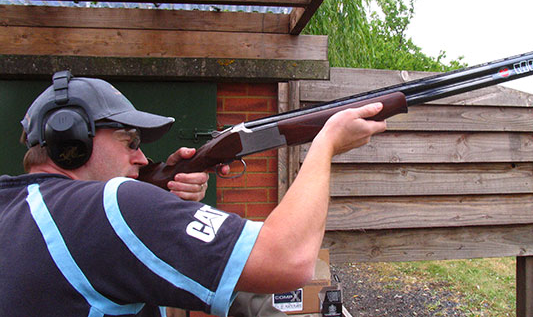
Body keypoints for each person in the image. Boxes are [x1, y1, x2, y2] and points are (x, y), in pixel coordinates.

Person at [0, 71, 386, 316]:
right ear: (73, 142)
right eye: (129, 140)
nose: (141, 156)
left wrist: (165, 207)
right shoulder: (112, 204)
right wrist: (325, 144)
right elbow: (290, 260)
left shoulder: (11, 207)